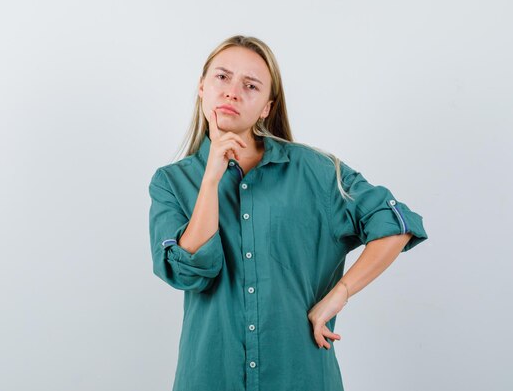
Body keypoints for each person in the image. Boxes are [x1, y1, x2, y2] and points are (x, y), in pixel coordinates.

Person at [147, 35, 428, 391]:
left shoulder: (318, 172)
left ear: (266, 106)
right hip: (209, 377)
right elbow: (189, 273)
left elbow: (395, 223)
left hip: (302, 376)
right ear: (202, 86)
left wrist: (338, 295)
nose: (233, 92)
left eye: (251, 85)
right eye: (222, 77)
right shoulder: (171, 182)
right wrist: (211, 178)